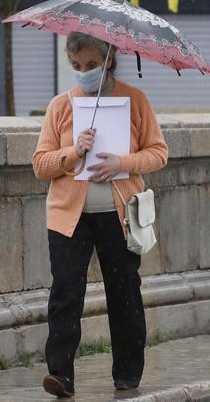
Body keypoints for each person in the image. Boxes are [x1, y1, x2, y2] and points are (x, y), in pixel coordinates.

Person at [31, 32, 168, 398]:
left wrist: (123, 162)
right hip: (68, 218)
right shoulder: (61, 106)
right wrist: (73, 153)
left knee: (124, 294)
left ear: (109, 60)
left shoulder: (134, 101)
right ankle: (60, 374)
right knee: (65, 295)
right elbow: (40, 165)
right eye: (76, 67)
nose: (84, 73)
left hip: (119, 215)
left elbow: (158, 152)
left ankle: (127, 373)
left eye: (91, 65)